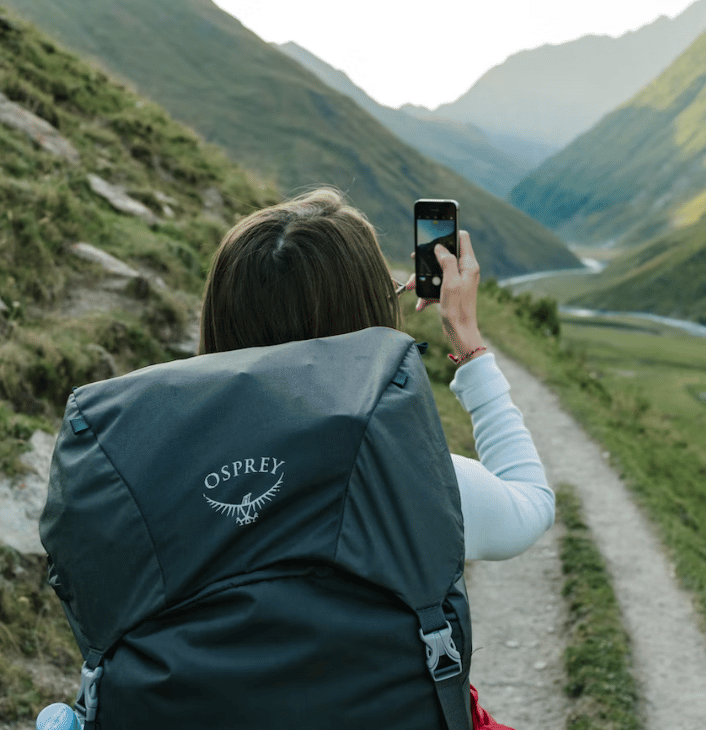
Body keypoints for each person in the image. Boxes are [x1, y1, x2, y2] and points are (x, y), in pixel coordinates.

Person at [200, 187, 554, 728]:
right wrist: (469, 345)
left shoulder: (166, 474)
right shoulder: (414, 480)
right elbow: (531, 505)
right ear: (366, 323)